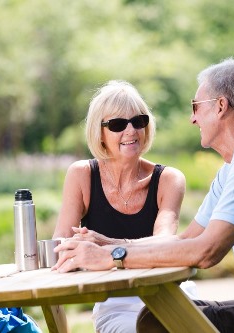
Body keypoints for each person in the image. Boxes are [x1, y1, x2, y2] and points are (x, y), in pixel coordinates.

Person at [53, 59, 234, 333]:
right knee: (161, 317)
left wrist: (110, 257)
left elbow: (207, 252)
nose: (192, 119)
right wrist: (109, 243)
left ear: (220, 106)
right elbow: (186, 240)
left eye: (196, 106)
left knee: (157, 324)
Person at [52, 80, 186, 333]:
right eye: (117, 125)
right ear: (99, 133)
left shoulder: (169, 179)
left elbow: (166, 242)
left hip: (167, 293)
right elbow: (61, 244)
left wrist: (104, 245)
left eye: (139, 121)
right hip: (114, 302)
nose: (131, 131)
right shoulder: (81, 174)